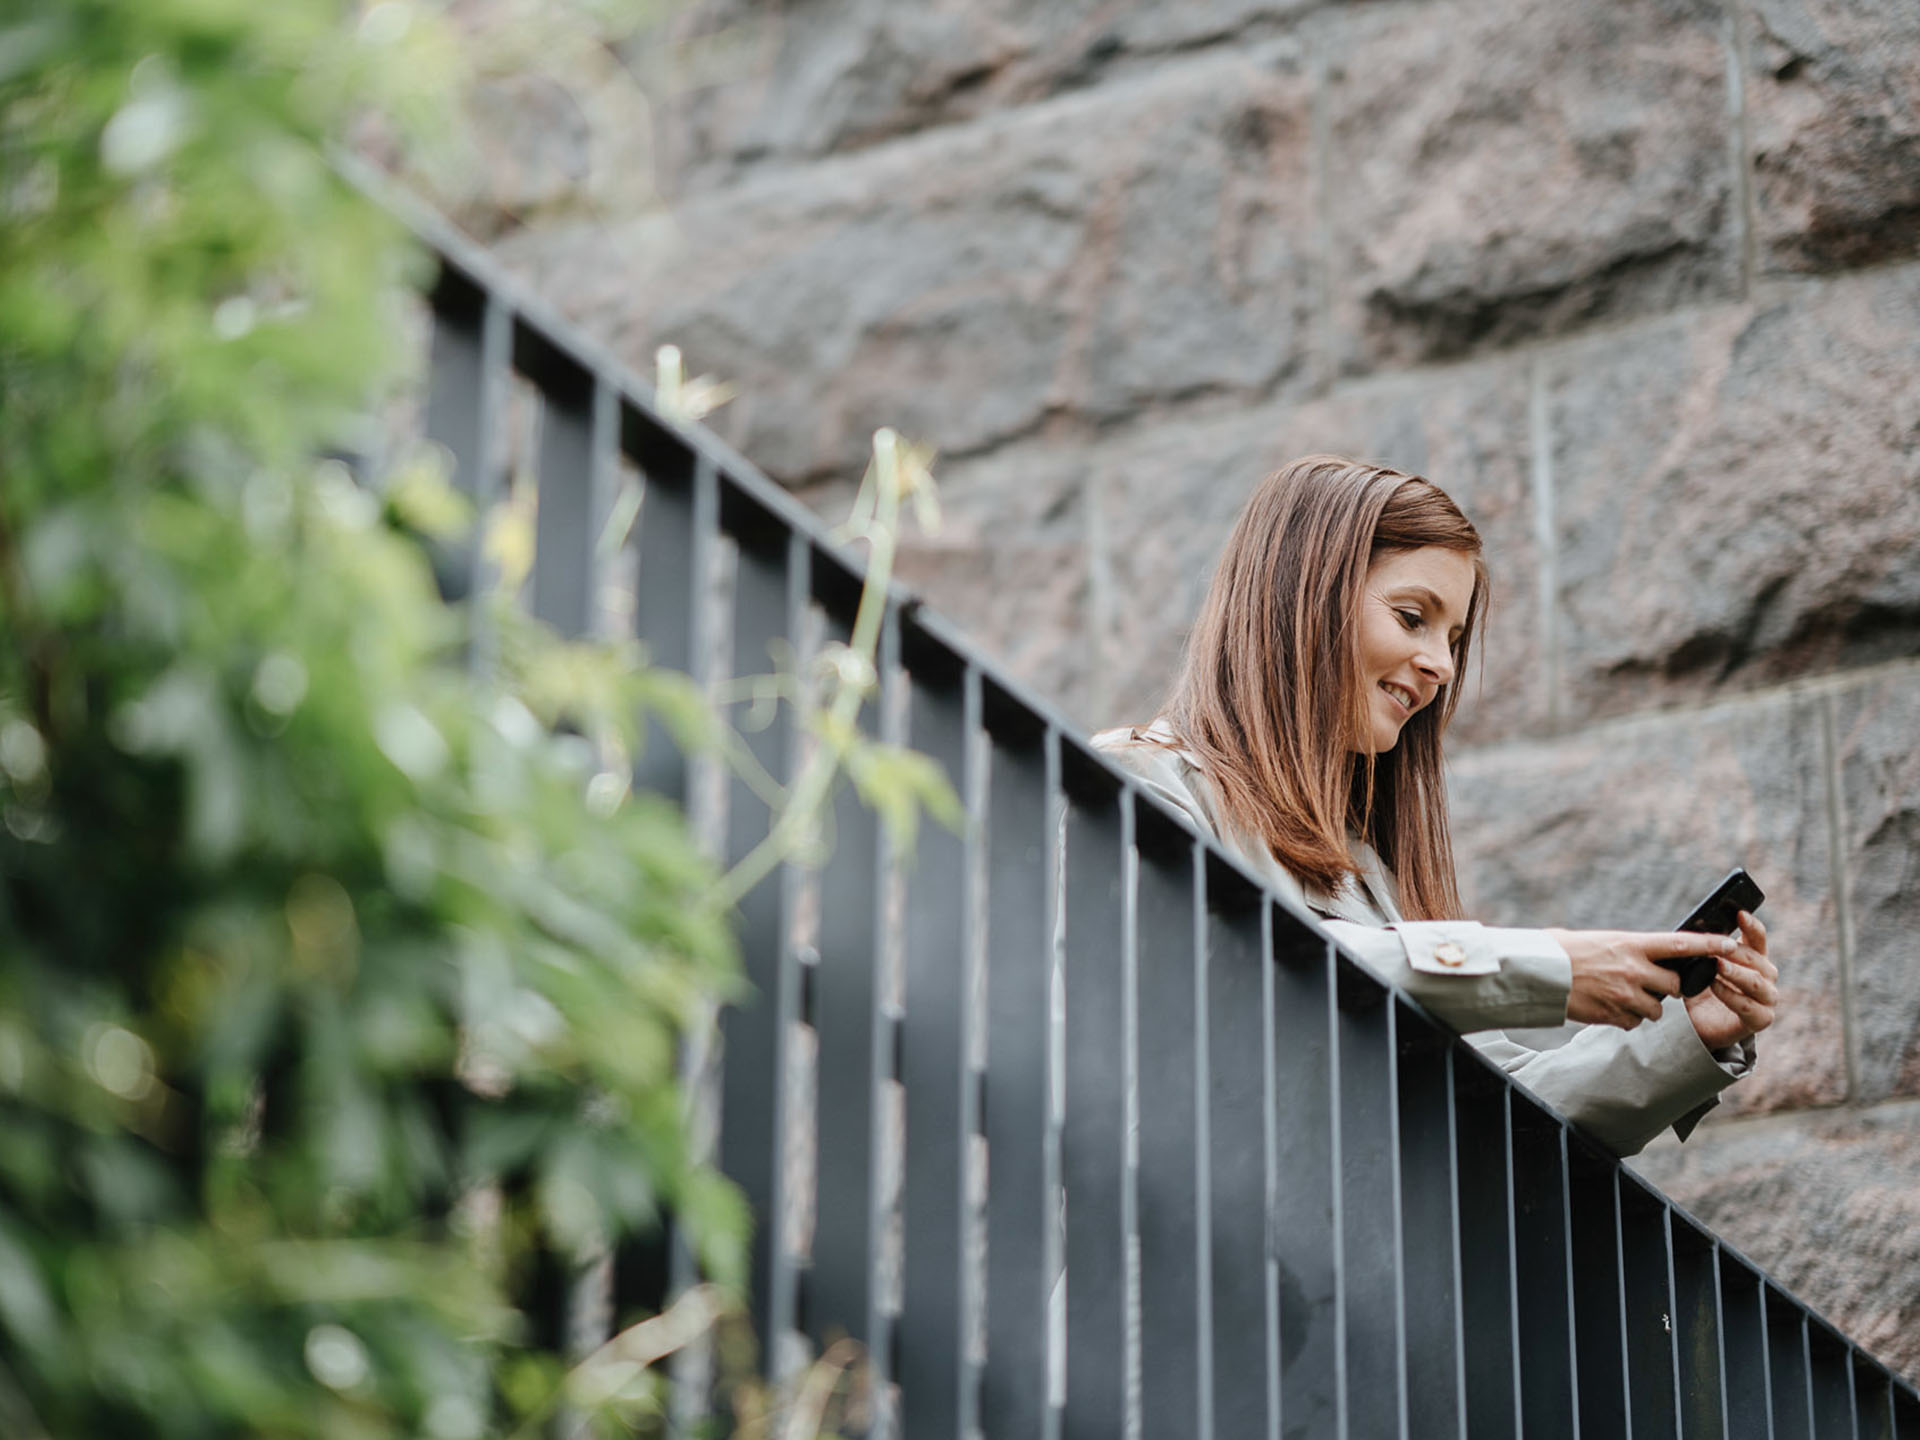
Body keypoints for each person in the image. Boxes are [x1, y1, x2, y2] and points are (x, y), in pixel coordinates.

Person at [1093, 455, 1778, 1155]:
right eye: (1412, 617)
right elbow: (1251, 968)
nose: (1442, 667)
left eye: (1452, 640)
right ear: (1299, 601)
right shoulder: (1138, 779)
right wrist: (1549, 967)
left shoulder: (1368, 876)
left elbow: (1500, 1111)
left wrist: (1691, 1037)